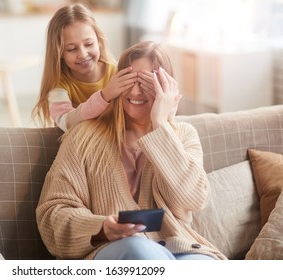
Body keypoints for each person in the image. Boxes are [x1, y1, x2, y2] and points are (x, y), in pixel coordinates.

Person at [36, 41, 227, 260]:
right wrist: (100, 227)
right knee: (139, 249)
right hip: (112, 249)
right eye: (130, 80)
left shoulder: (184, 135)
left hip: (178, 248)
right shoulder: (83, 137)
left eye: (147, 82)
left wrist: (160, 124)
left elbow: (193, 199)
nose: (136, 91)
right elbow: (52, 213)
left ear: (167, 87)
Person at [31, 3, 138, 131]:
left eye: (88, 44)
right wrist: (104, 96)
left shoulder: (117, 74)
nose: (82, 54)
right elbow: (65, 121)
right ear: (59, 53)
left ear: (99, 41)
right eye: (72, 49)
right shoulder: (58, 86)